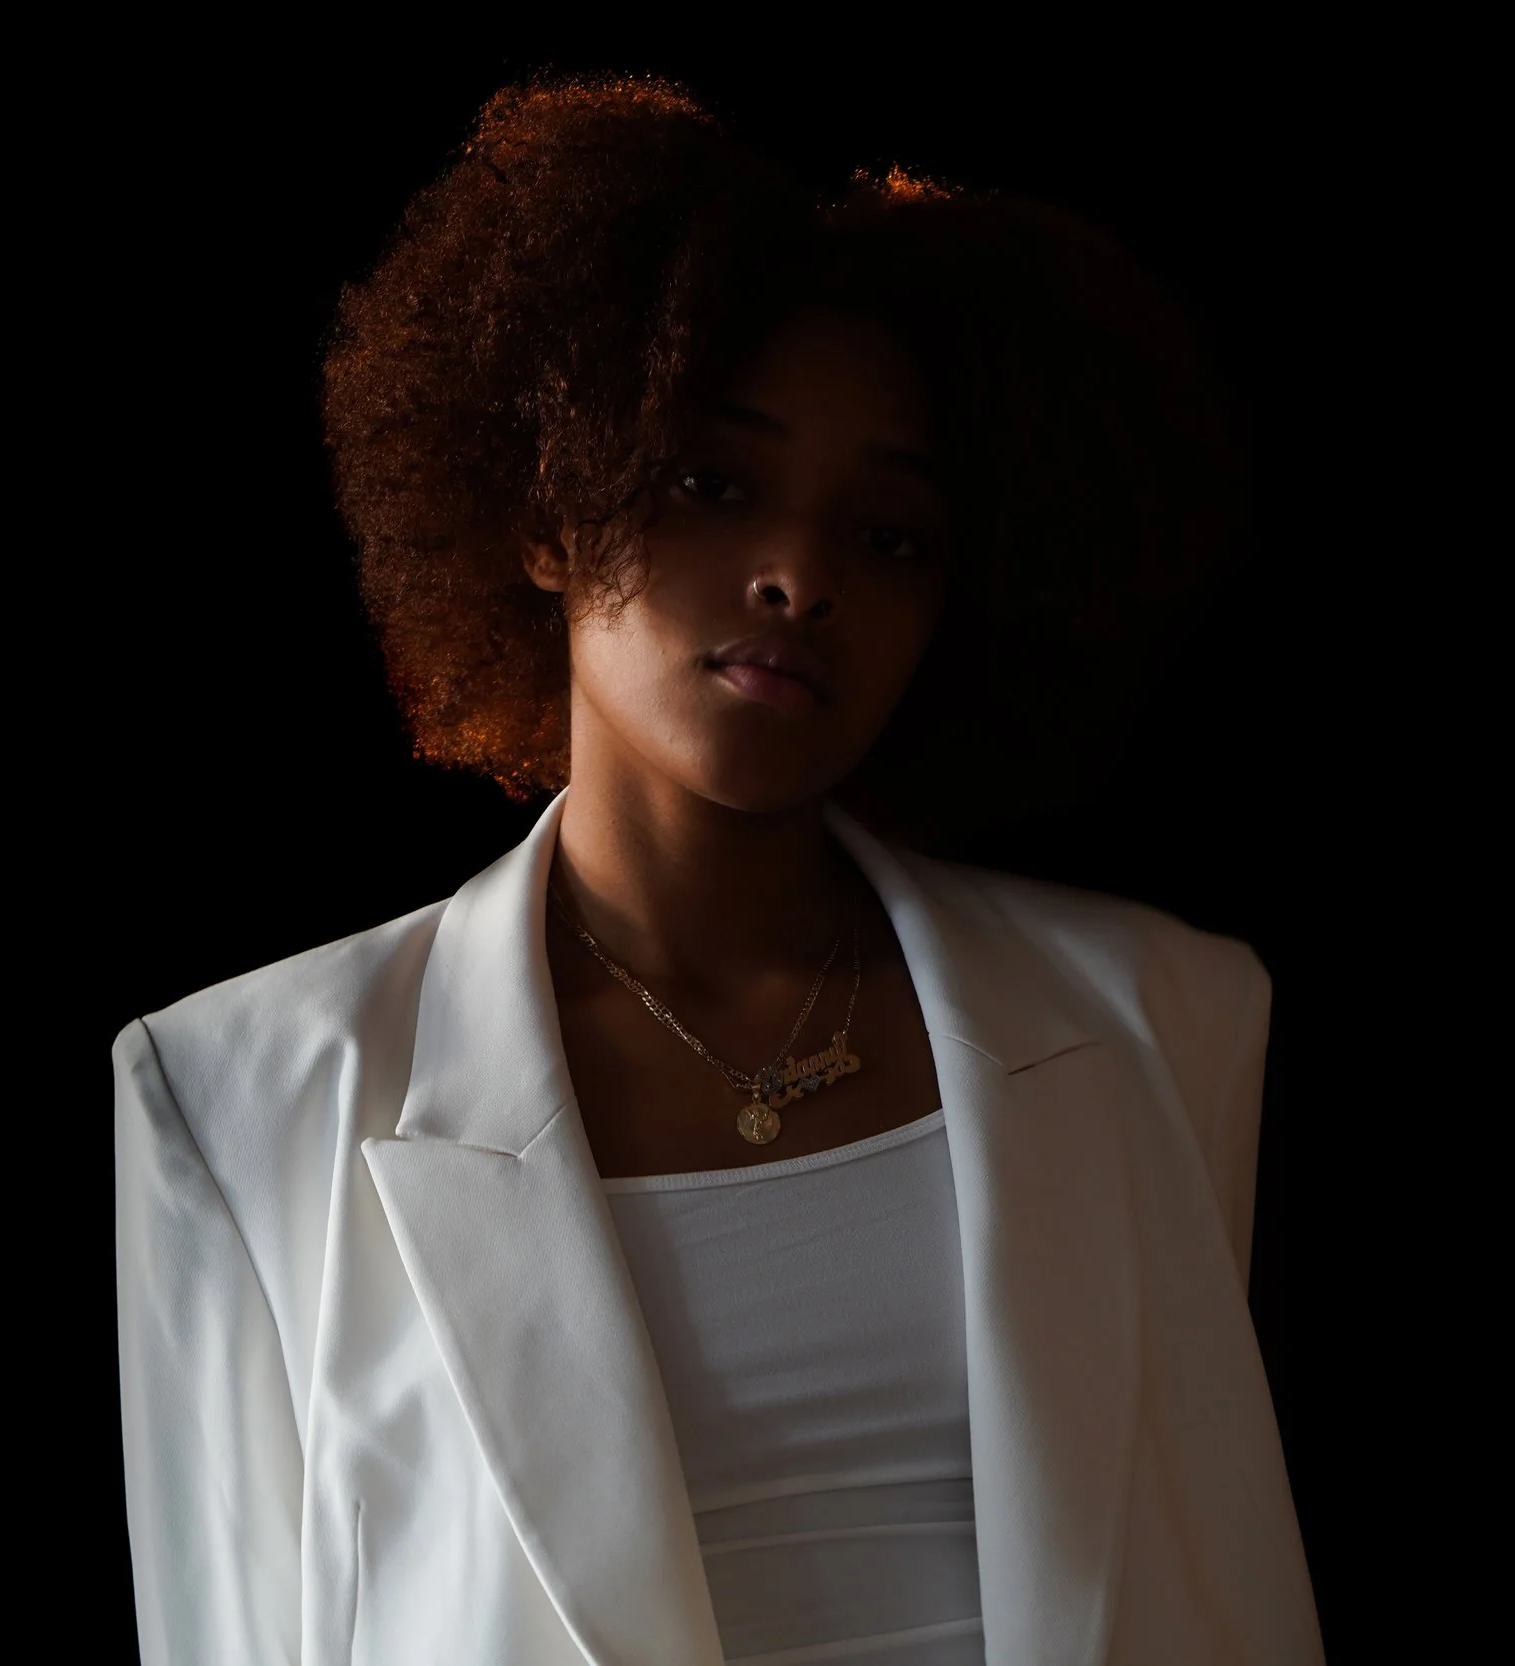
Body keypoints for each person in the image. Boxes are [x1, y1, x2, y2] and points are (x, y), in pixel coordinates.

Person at [115, 72, 1324, 1665]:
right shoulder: (238, 1099)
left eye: (887, 534)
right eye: (714, 482)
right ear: (549, 504)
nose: (799, 576)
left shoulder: (1166, 1023)